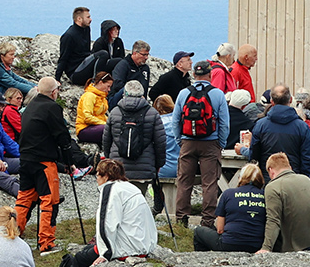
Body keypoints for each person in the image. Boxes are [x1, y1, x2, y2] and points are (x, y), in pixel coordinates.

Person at [17, 76, 75, 253]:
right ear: (54, 92)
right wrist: (69, 161)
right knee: (50, 200)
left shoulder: (29, 107)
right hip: (43, 162)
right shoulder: (52, 107)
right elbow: (62, 137)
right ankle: (46, 242)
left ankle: (11, 235)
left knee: (24, 199)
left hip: (25, 159)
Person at [175, 60, 231, 228]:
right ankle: (207, 220)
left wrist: (181, 141)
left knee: (184, 181)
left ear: (194, 74)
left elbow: (175, 120)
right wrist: (220, 143)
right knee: (209, 183)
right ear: (210, 74)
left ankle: (181, 218)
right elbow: (224, 123)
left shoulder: (184, 93)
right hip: (210, 143)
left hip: (187, 142)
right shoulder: (218, 94)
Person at [259, 152, 310, 252]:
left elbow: (273, 220)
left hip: (298, 242)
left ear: (270, 170)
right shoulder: (306, 180)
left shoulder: (272, 187)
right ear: (289, 166)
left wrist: (266, 248)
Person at [104, 79, 167, 194]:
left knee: (120, 203)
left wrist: (110, 160)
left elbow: (106, 139)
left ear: (124, 94)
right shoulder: (152, 113)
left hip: (118, 167)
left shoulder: (114, 112)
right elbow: (160, 142)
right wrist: (158, 164)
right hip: (143, 169)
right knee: (138, 202)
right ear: (142, 94)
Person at [197, 163, 266, 252]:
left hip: (229, 243)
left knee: (198, 232)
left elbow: (220, 229)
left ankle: (205, 261)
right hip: (257, 245)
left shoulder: (228, 194)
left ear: (241, 178)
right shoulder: (265, 196)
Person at [250, 85, 310, 179]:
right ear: (291, 100)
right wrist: (304, 180)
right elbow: (307, 158)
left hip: (268, 177)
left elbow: (254, 155)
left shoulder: (260, 125)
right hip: (294, 179)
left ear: (271, 101)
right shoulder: (302, 127)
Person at [71, 20, 125, 86]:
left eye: (117, 29)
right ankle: (97, 79)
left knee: (120, 61)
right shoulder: (100, 43)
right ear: (108, 31)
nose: (117, 31)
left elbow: (122, 57)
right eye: (114, 29)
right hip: (94, 70)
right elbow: (96, 62)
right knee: (105, 54)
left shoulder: (118, 42)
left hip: (108, 69)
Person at [56, 7, 92, 83]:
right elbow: (63, 59)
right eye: (88, 17)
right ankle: (96, 81)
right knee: (102, 54)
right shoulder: (69, 36)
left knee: (114, 61)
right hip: (75, 72)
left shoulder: (86, 29)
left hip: (86, 65)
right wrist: (57, 80)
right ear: (79, 19)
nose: (90, 19)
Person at [75, 73, 113, 145]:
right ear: (101, 83)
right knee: (109, 130)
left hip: (96, 127)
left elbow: (102, 115)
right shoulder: (89, 96)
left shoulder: (102, 97)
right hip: (84, 129)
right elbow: (87, 117)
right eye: (108, 86)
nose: (109, 89)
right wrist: (106, 124)